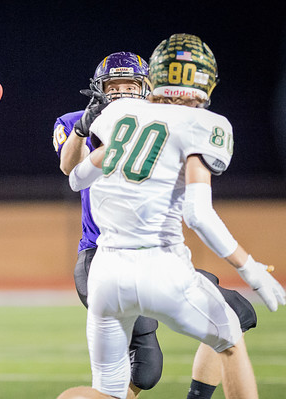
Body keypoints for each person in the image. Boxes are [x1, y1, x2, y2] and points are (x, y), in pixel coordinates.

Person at [69, 33, 285, 399]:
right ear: (206, 80)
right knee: (230, 339)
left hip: (106, 273)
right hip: (161, 265)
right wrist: (249, 269)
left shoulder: (117, 113)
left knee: (108, 393)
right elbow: (198, 214)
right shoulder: (204, 124)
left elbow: (77, 179)